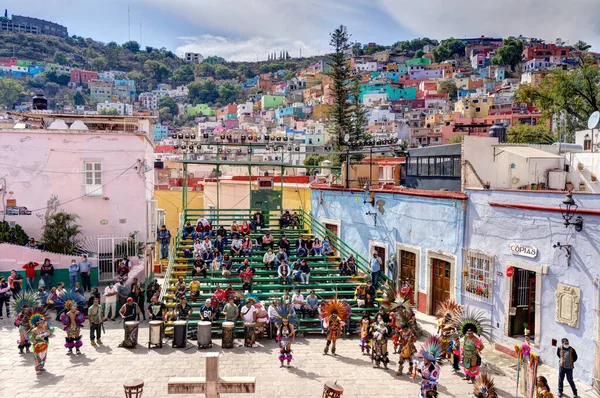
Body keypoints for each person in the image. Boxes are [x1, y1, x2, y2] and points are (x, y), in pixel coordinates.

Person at [27, 310, 55, 374]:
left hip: (45, 344)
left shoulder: (45, 328)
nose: (42, 324)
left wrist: (50, 332)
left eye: (42, 322)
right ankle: (37, 369)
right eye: (40, 323)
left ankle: (41, 367)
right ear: (37, 323)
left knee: (43, 356)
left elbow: (50, 335)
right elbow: (31, 339)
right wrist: (37, 340)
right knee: (37, 356)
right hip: (37, 345)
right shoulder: (34, 330)